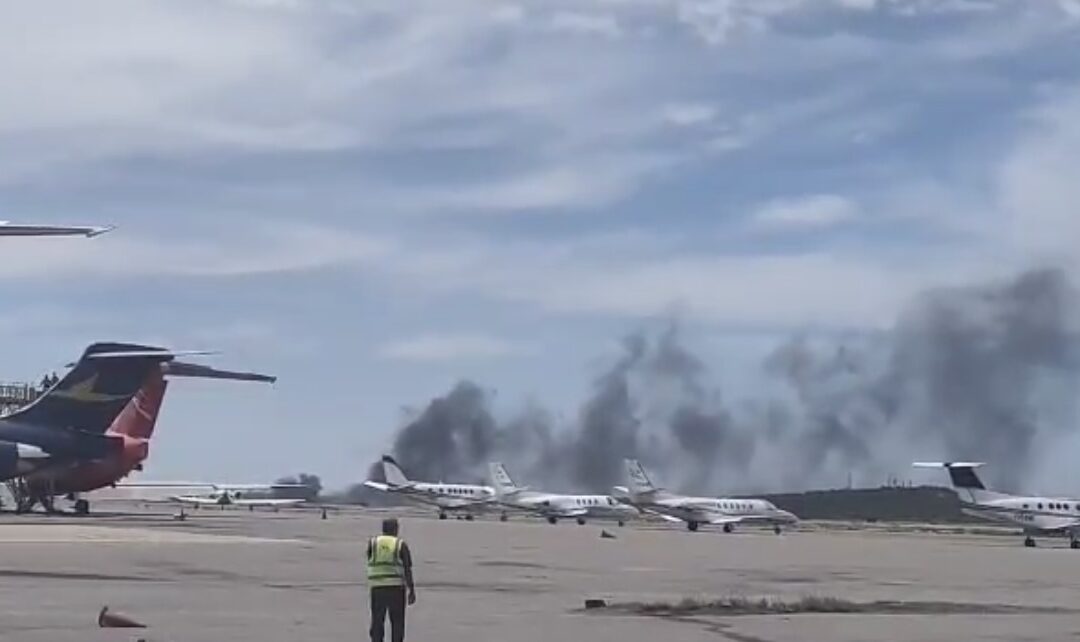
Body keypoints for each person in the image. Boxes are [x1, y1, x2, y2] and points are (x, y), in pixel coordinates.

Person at [366, 517, 416, 642]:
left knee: (377, 621)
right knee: (397, 622)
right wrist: (412, 590)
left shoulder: (373, 543)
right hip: (396, 589)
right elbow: (407, 568)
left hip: (377, 588)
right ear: (395, 529)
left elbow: (369, 558)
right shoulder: (400, 544)